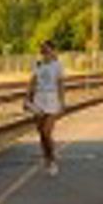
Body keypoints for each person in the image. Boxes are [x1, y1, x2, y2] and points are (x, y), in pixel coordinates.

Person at [26, 41, 65, 174]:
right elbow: (32, 82)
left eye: (47, 51)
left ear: (53, 51)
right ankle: (46, 157)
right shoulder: (38, 64)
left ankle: (52, 160)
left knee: (47, 132)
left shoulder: (58, 65)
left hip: (52, 100)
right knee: (41, 133)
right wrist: (27, 98)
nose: (45, 54)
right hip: (39, 100)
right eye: (43, 52)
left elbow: (60, 84)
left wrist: (62, 103)